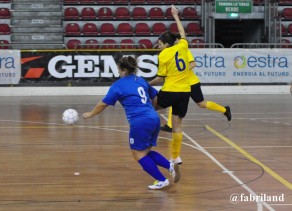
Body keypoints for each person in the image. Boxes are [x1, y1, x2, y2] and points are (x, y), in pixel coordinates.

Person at [82, 56, 180, 190]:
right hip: (154, 118)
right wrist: (151, 109)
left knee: (138, 154)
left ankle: (161, 179)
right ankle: (169, 166)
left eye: (118, 69)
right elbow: (155, 96)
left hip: (140, 122)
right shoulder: (140, 80)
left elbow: (103, 103)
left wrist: (90, 114)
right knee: (145, 152)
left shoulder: (118, 85)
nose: (117, 72)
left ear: (123, 69)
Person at [160, 34, 232, 139]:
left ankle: (225, 110)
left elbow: (193, 64)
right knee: (174, 102)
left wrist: (180, 72)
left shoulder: (183, 50)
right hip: (180, 84)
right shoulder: (170, 52)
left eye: (176, 40)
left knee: (201, 104)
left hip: (191, 83)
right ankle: (170, 125)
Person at [149, 5, 191, 168]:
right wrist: (176, 16)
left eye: (159, 43)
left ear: (165, 44)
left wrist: (146, 84)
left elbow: (160, 78)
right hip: (185, 92)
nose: (158, 46)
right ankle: (176, 157)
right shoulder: (182, 46)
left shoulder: (164, 55)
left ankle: (146, 142)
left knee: (148, 108)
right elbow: (182, 34)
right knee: (177, 125)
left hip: (171, 90)